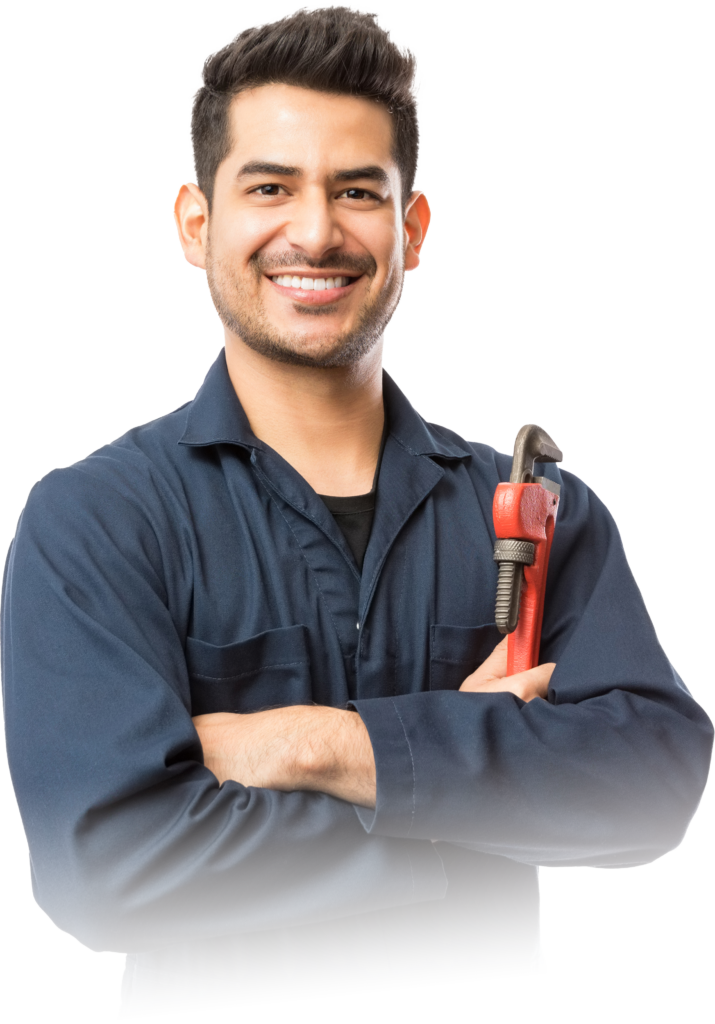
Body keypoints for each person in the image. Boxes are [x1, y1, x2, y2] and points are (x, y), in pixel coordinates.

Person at [3, 5, 712, 1018]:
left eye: (356, 191)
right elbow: (108, 872)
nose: (315, 232)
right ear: (197, 224)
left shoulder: (538, 511)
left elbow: (650, 782)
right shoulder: (98, 520)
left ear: (410, 229)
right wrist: (466, 776)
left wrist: (315, 745)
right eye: (270, 188)